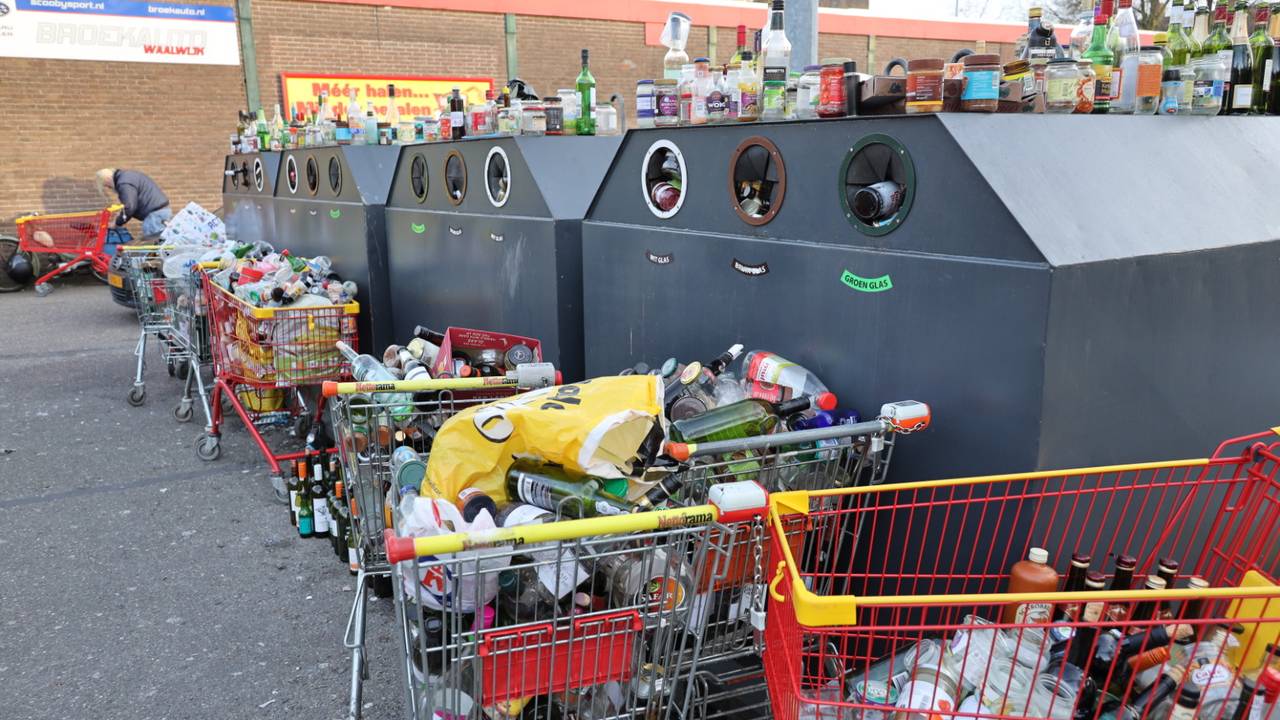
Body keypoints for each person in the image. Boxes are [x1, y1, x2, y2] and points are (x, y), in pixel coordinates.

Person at [95, 168, 171, 240]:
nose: (109, 188)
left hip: (154, 216)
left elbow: (129, 207)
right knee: (163, 243)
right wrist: (121, 213)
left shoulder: (123, 183)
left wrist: (116, 223)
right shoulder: (127, 176)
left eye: (107, 185)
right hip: (160, 212)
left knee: (154, 245)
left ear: (107, 179)